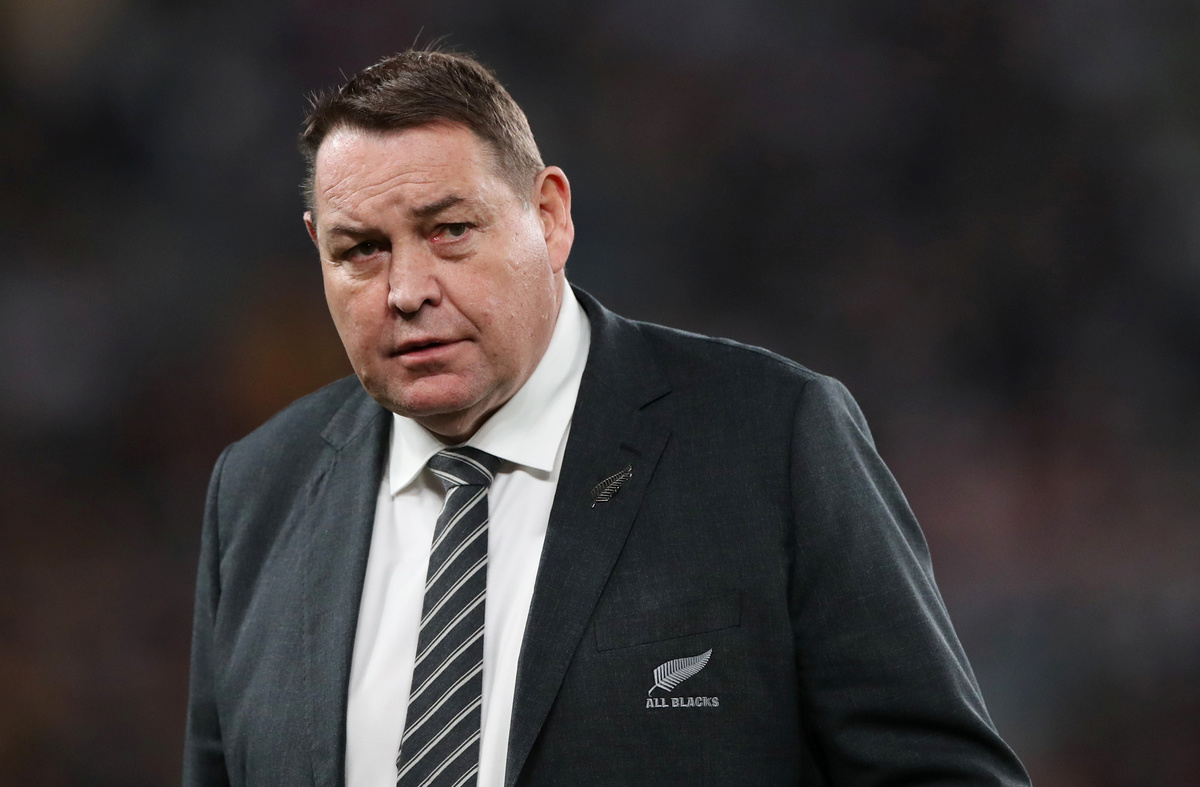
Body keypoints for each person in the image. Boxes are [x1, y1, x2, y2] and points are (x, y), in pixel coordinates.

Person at [183, 49, 1030, 787]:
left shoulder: (770, 440)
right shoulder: (258, 491)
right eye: (361, 249)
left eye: (449, 230)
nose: (406, 290)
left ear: (549, 216)